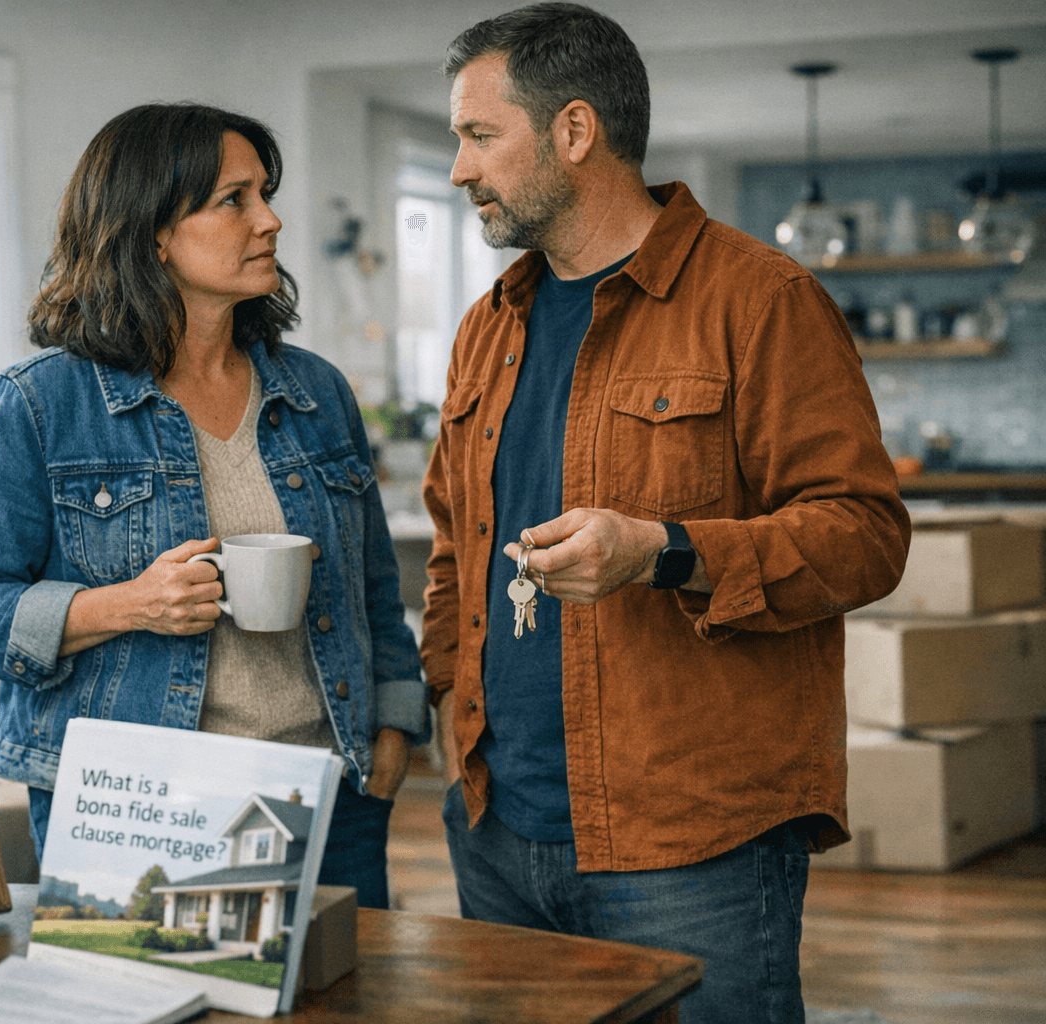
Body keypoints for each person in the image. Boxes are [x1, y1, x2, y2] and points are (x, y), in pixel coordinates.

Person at [421, 5, 910, 1020]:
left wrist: (666, 552)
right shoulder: (486, 327)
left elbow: (865, 535)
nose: (459, 170)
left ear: (574, 132)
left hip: (694, 845)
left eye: (477, 135)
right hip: (496, 830)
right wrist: (438, 706)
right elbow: (451, 549)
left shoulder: (761, 298)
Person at [0, 103, 427, 910]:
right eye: (236, 199)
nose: (271, 219)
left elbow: (371, 594)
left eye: (266, 193)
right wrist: (128, 605)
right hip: (139, 810)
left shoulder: (318, 391)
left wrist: (394, 729)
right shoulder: (41, 405)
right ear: (153, 232)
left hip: (329, 792)